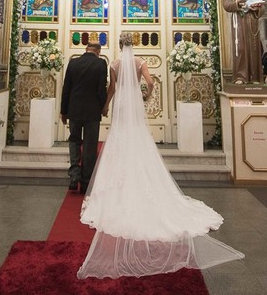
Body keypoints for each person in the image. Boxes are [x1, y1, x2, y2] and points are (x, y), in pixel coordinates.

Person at [77, 34, 244, 278]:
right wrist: (146, 94)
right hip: (134, 101)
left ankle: (118, 182)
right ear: (133, 44)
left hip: (122, 103)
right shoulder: (140, 62)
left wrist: (105, 105)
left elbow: (112, 88)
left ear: (120, 46)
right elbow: (150, 82)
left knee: (120, 136)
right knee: (137, 135)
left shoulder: (114, 64)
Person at [60, 41, 109, 193]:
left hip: (74, 109)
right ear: (98, 51)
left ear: (86, 49)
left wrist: (63, 111)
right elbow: (101, 89)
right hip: (92, 111)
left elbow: (66, 88)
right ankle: (86, 181)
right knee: (90, 145)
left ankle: (74, 176)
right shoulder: (101, 63)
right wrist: (103, 107)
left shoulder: (73, 62)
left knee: (74, 141)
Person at [222, 0, 262, 85]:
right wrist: (238, 2)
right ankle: (240, 76)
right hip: (238, 21)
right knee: (240, 48)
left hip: (251, 21)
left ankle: (254, 77)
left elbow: (261, 5)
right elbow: (227, 5)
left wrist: (256, 7)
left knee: (253, 48)